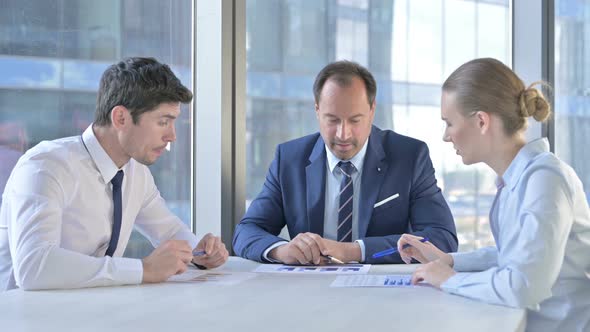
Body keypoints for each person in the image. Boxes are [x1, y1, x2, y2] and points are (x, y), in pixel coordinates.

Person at [0, 57, 228, 291]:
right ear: (120, 118)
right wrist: (144, 269)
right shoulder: (45, 166)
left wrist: (199, 251)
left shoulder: (135, 173)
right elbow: (34, 267)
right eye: (163, 122)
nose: (172, 136)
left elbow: (169, 231)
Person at [398, 58, 590, 331]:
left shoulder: (546, 179)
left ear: (481, 121)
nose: (446, 136)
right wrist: (447, 260)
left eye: (449, 123)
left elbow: (523, 285)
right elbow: (512, 255)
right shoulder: (519, 179)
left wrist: (449, 279)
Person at [233, 60, 457, 265]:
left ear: (372, 111)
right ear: (317, 110)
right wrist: (282, 251)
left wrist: (352, 251)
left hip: (384, 296)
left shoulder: (409, 156)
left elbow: (441, 237)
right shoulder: (289, 158)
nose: (343, 134)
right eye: (332, 120)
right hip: (309, 292)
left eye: (354, 120)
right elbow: (246, 232)